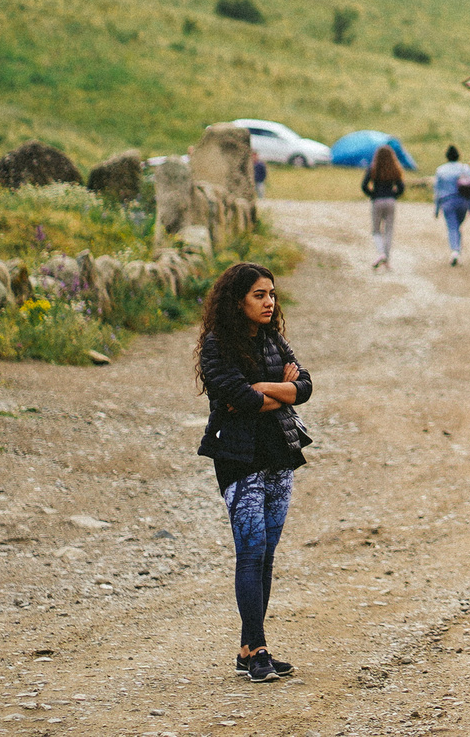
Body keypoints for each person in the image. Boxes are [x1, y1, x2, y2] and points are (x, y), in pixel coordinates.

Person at [194, 261, 313, 682]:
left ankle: (249, 650)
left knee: (265, 557)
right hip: (239, 459)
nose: (269, 302)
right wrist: (276, 391)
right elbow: (241, 400)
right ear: (237, 300)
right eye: (259, 295)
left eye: (272, 294)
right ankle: (258, 647)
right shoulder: (217, 345)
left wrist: (264, 390)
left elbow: (306, 387)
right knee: (250, 552)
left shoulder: (272, 338)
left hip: (279, 455)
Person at [360, 145, 405, 271]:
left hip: (377, 201)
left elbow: (364, 185)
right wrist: (393, 195)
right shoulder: (394, 169)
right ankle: (387, 260)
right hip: (390, 201)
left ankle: (381, 253)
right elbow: (401, 187)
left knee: (376, 230)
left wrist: (372, 194)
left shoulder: (373, 169)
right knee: (389, 230)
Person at [432, 145, 470, 267]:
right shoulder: (465, 169)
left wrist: (437, 208)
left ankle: (455, 250)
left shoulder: (441, 170)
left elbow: (437, 191)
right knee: (457, 226)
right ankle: (457, 249)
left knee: (452, 226)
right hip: (463, 201)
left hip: (447, 201)